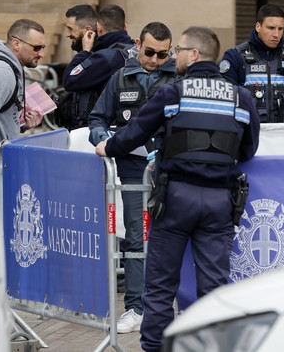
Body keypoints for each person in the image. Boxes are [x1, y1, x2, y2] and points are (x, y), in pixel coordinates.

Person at [94, 26, 260, 352]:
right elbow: (248, 149)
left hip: (175, 199)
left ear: (195, 54)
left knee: (159, 286)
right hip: (219, 202)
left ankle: (155, 347)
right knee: (214, 289)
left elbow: (137, 131)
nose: (174, 56)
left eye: (179, 50)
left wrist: (108, 148)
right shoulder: (240, 96)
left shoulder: (174, 93)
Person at [88, 21, 177, 334]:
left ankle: (166, 305)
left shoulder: (178, 78)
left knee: (173, 234)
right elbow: (97, 118)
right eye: (149, 51)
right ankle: (137, 306)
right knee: (137, 235)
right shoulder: (120, 76)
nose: (154, 59)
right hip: (132, 165)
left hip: (170, 167)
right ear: (138, 43)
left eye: (162, 54)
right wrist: (103, 139)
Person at [219, 4, 284, 134]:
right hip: (247, 134)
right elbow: (225, 96)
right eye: (271, 28)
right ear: (258, 26)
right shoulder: (235, 57)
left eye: (280, 29)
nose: (276, 34)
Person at [62, 4, 134, 130]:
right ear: (125, 27)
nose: (67, 34)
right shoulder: (132, 51)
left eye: (70, 28)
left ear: (97, 29)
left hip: (99, 132)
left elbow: (69, 80)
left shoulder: (105, 58)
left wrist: (84, 52)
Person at [0, 19, 45, 146]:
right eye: (37, 48)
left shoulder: (11, 67)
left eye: (43, 47)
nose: (42, 54)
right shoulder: (3, 72)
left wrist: (21, 125)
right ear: (16, 44)